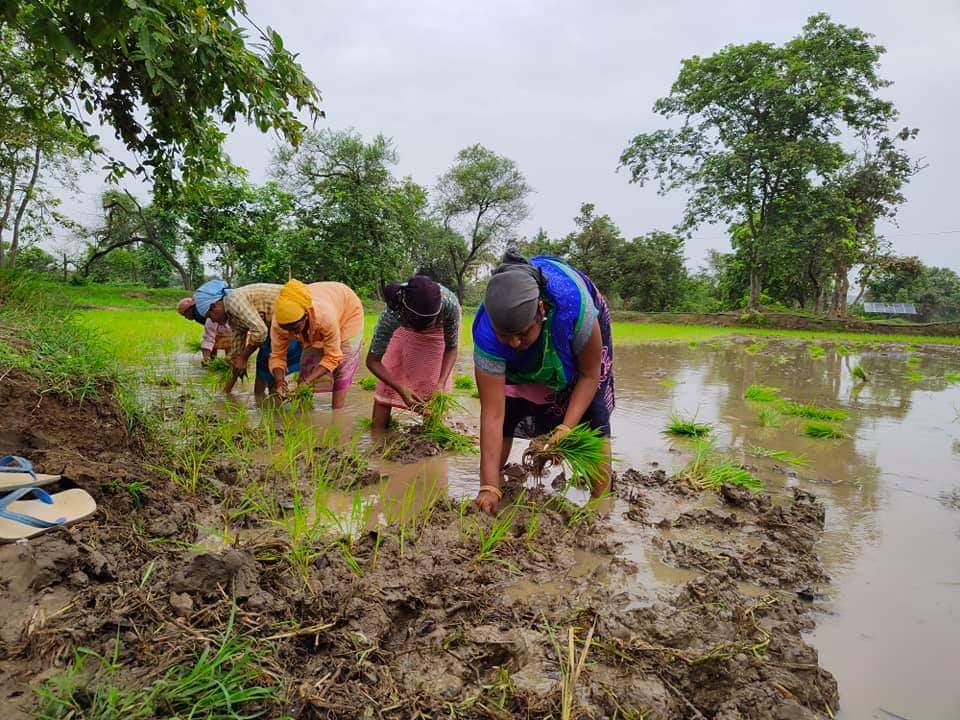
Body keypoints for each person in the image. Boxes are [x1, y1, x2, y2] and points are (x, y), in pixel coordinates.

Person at [471, 251, 615, 514]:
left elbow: (589, 375)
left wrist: (566, 427)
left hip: (575, 335)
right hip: (531, 333)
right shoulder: (487, 333)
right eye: (505, 335)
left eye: (523, 333)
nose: (515, 343)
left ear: (541, 309)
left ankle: (601, 503)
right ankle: (494, 483)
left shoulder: (574, 310)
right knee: (509, 406)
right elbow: (492, 414)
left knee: (593, 417)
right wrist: (487, 486)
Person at [365, 275, 461, 429]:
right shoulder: (394, 311)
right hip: (402, 328)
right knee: (389, 377)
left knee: (432, 387)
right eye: (417, 324)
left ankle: (431, 436)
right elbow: (372, 361)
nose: (420, 329)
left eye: (425, 324)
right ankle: (377, 435)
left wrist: (441, 383)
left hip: (436, 333)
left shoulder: (450, 305)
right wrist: (400, 388)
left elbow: (451, 347)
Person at [191, 279, 302, 398]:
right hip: (275, 329)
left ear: (214, 306)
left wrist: (243, 358)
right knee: (265, 370)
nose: (213, 321)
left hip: (291, 322)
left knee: (277, 373)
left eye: (210, 316)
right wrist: (225, 393)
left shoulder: (232, 301)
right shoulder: (232, 318)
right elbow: (236, 354)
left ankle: (288, 405)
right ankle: (270, 403)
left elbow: (260, 332)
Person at [269, 279, 365, 409]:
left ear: (306, 316)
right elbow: (277, 356)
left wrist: (308, 381)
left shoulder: (325, 317)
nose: (291, 333)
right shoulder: (279, 323)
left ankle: (337, 413)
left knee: (343, 364)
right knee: (307, 363)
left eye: (295, 327)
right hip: (324, 306)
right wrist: (280, 381)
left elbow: (333, 356)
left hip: (348, 311)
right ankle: (303, 410)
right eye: (286, 328)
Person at [176, 297, 231, 367]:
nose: (186, 318)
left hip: (230, 335)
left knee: (229, 358)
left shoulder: (211, 316)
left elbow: (209, 338)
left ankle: (212, 362)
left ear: (189, 310)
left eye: (184, 314)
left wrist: (206, 358)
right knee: (229, 359)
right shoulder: (204, 314)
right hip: (228, 333)